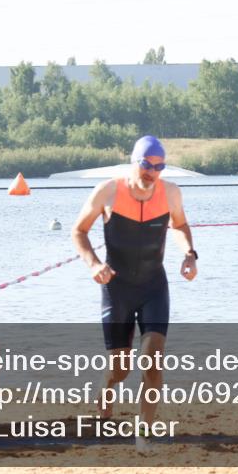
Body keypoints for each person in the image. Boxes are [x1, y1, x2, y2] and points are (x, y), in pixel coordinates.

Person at [71, 135, 197, 452]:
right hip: (117, 287)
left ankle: (144, 433)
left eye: (159, 166)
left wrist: (189, 255)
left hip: (154, 286)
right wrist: (93, 264)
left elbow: (180, 226)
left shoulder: (171, 193)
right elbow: (79, 231)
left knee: (152, 360)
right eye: (146, 165)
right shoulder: (108, 191)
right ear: (133, 162)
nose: (152, 172)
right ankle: (107, 384)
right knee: (120, 368)